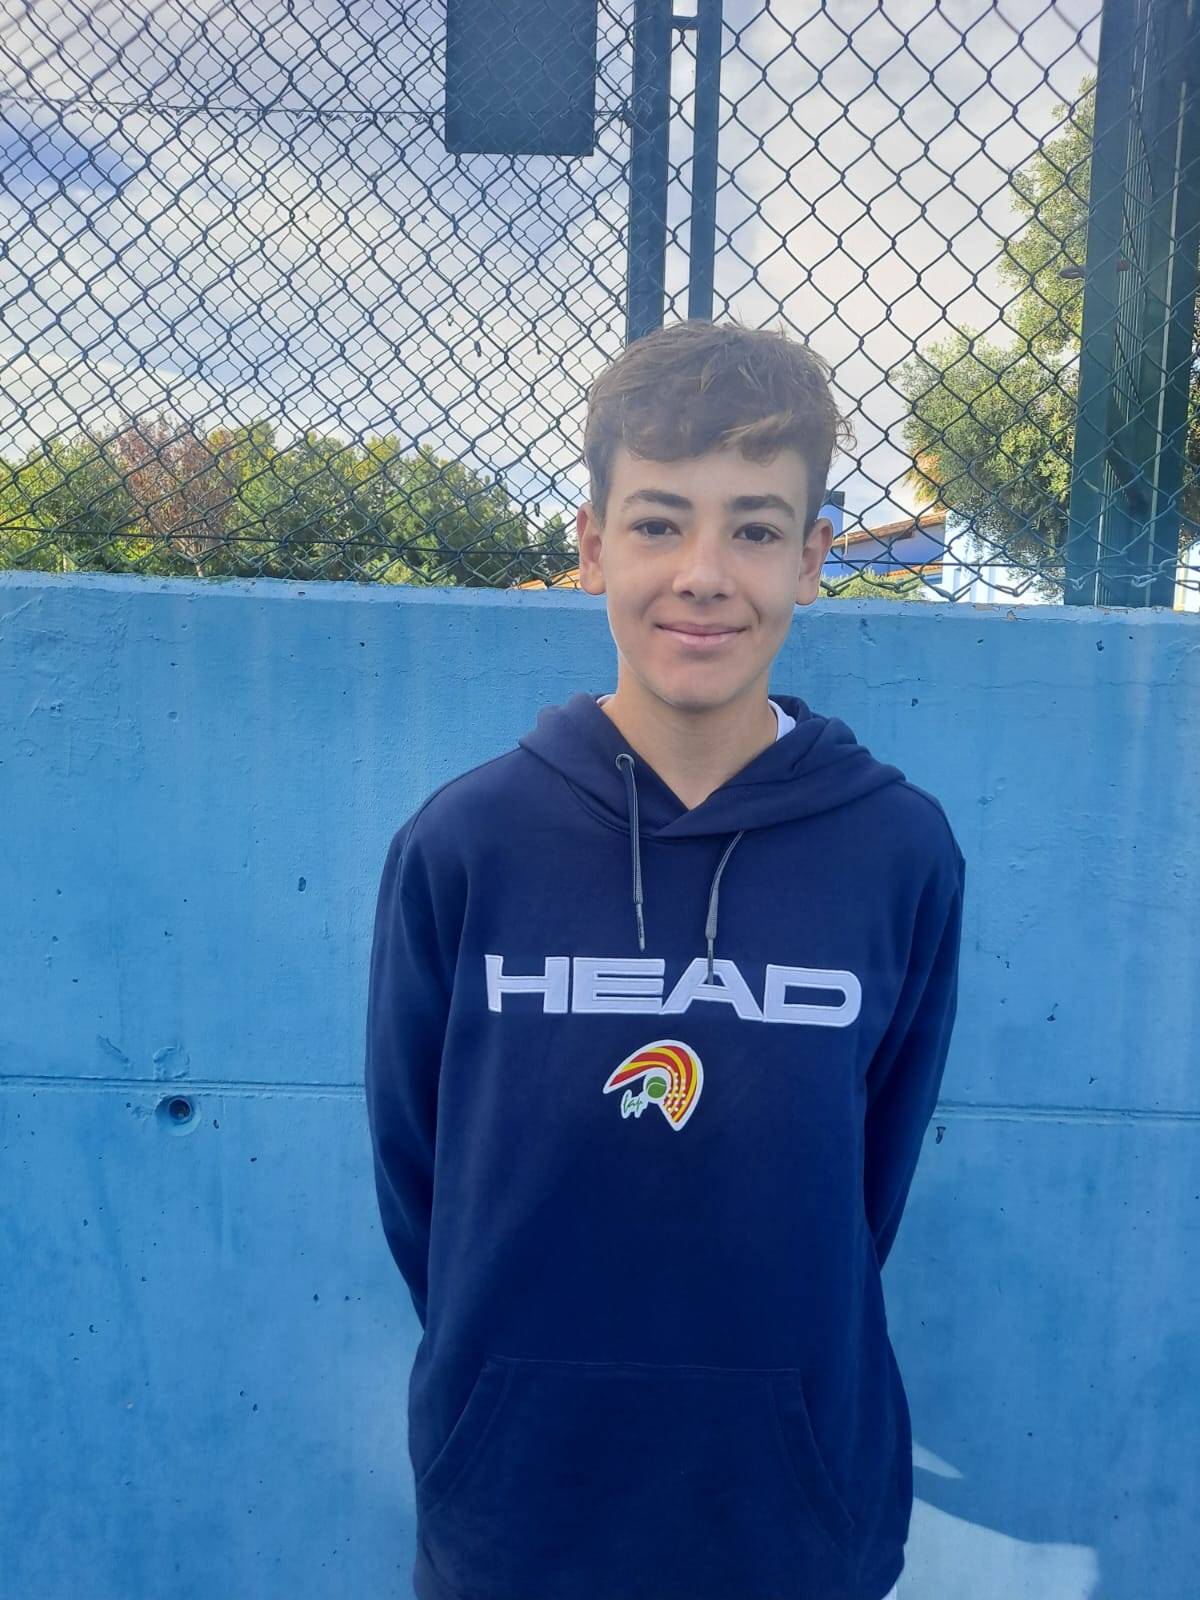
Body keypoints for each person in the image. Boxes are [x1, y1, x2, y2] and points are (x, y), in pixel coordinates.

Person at [364, 317, 965, 1600]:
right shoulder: (465, 844)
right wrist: (505, 1390)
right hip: (516, 1512)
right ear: (591, 545)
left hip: (789, 1518)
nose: (703, 573)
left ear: (812, 558)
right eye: (657, 522)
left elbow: (868, 1181)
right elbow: (424, 1180)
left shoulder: (898, 850)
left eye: (753, 528)